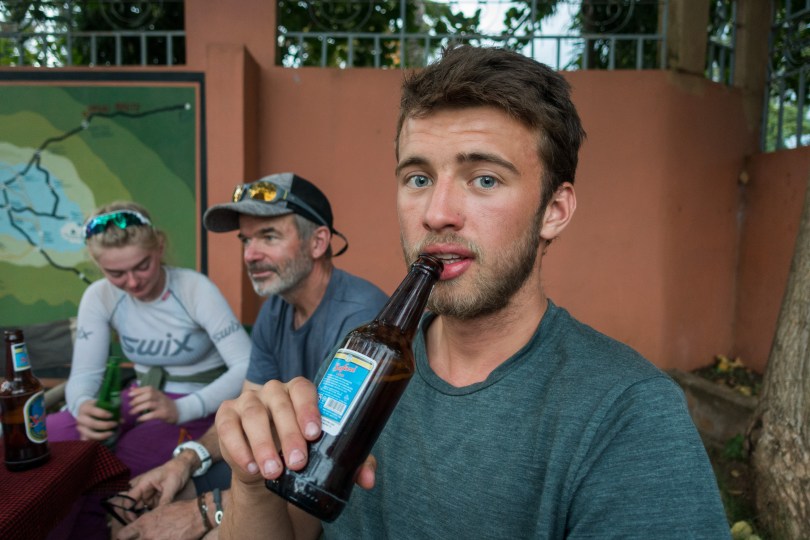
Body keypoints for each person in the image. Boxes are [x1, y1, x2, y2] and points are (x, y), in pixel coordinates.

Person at [214, 45, 731, 539]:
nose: (436, 213)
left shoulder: (629, 414)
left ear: (554, 210)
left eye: (484, 179)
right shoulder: (359, 360)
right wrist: (252, 482)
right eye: (418, 178)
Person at [114, 173, 388, 540]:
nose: (250, 254)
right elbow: (248, 407)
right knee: (143, 504)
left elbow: (326, 468)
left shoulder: (361, 320)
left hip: (333, 495)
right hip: (274, 467)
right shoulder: (275, 308)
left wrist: (207, 510)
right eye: (246, 239)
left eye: (269, 237)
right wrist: (186, 460)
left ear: (318, 242)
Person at [45, 201, 251, 540]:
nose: (132, 282)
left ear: (160, 247)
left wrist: (182, 408)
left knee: (126, 465)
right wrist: (83, 406)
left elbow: (246, 366)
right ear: (97, 264)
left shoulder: (193, 289)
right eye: (115, 273)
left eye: (142, 266)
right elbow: (84, 375)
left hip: (197, 403)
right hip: (139, 396)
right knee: (50, 437)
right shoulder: (100, 296)